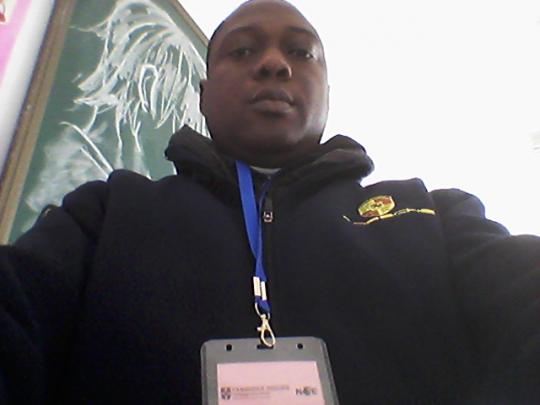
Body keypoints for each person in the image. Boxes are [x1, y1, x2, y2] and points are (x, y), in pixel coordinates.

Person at [1, 0, 539, 403]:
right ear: (203, 95)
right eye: (242, 50)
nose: (274, 64)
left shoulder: (434, 217)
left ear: (326, 91)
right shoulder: (107, 213)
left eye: (301, 52)